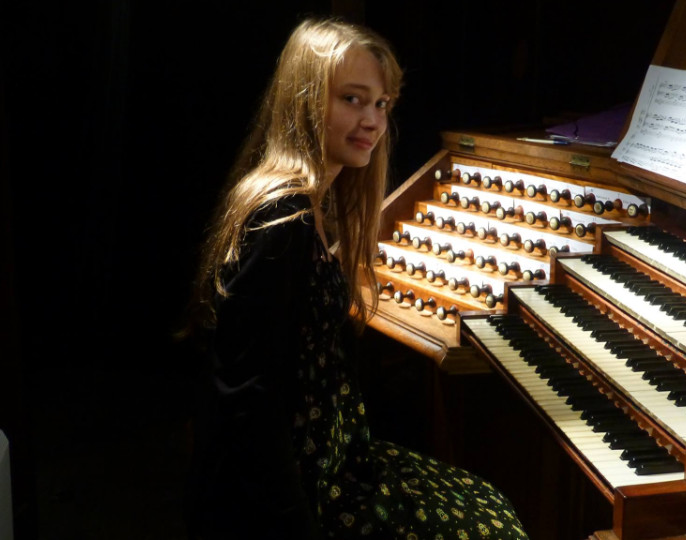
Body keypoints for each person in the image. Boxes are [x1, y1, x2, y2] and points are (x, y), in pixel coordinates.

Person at [184, 18, 529, 540]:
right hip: (300, 485)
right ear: (303, 102)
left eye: (381, 104)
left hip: (338, 459)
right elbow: (245, 401)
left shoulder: (316, 205)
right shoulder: (281, 223)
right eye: (352, 99)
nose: (371, 120)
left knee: (490, 504)